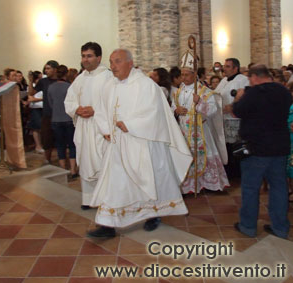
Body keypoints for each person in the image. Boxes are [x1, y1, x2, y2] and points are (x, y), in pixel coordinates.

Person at [87, 49, 192, 238]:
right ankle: (107, 224)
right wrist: (105, 130)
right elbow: (101, 110)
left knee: (149, 181)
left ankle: (153, 214)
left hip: (144, 144)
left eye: (117, 61)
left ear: (130, 63)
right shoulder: (110, 85)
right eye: (111, 62)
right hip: (118, 145)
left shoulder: (146, 85)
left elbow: (156, 113)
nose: (113, 66)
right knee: (115, 183)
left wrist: (130, 125)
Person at [232, 64, 291, 239]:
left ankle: (248, 226)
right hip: (279, 146)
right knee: (279, 187)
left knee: (250, 188)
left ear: (255, 77)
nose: (249, 81)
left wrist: (239, 98)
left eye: (250, 77)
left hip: (256, 148)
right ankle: (280, 227)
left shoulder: (253, 94)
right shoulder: (284, 92)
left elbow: (238, 112)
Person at [64, 42, 112, 209]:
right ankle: (89, 199)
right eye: (83, 56)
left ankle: (104, 199)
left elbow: (113, 102)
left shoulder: (108, 76)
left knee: (102, 161)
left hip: (100, 127)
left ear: (98, 57)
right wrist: (77, 109)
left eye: (89, 56)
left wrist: (95, 110)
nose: (85, 59)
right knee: (85, 160)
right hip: (84, 127)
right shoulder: (81, 78)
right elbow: (69, 100)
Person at [172, 63, 229, 193]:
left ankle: (208, 184)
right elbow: (172, 109)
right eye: (182, 75)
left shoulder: (204, 91)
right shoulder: (177, 92)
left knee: (203, 155)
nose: (184, 77)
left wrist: (200, 103)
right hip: (183, 131)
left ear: (194, 75)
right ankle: (189, 186)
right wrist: (176, 110)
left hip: (200, 130)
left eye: (187, 74)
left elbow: (213, 110)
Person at [215, 58, 249, 178]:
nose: (224, 68)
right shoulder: (224, 80)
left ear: (236, 68)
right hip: (223, 118)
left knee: (235, 145)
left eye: (228, 66)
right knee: (226, 146)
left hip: (235, 119)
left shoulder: (243, 80)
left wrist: (233, 105)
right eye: (224, 66)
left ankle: (237, 173)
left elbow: (244, 95)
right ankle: (229, 171)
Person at [48, 65, 77, 178]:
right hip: (68, 119)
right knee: (72, 145)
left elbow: (50, 104)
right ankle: (73, 170)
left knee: (60, 145)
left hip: (56, 119)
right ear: (66, 74)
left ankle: (63, 170)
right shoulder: (70, 87)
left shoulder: (51, 87)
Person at [28, 60, 59, 163]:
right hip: (47, 113)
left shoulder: (61, 80)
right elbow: (31, 93)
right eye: (45, 68)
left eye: (48, 68)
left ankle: (62, 158)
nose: (46, 70)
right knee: (47, 137)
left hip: (59, 113)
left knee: (60, 137)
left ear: (55, 69)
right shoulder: (43, 81)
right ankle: (47, 158)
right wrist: (30, 80)